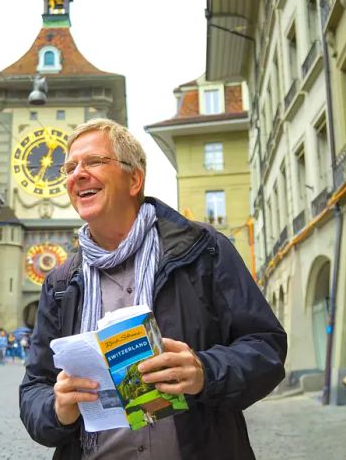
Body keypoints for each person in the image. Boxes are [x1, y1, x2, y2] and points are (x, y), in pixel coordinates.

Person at [19, 118, 287, 459]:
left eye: (94, 162)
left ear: (134, 179)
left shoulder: (204, 250)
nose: (77, 174)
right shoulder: (60, 283)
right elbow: (33, 389)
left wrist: (206, 371)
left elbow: (267, 349)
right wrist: (57, 408)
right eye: (70, 167)